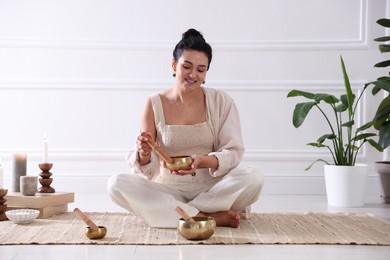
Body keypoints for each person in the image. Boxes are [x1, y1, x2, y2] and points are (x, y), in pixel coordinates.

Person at [108, 28, 264, 228]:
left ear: (206, 72)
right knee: (116, 184)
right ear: (174, 64)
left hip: (213, 189)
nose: (193, 75)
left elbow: (233, 152)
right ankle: (207, 216)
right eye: (187, 67)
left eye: (201, 70)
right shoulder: (154, 103)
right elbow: (148, 168)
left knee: (254, 177)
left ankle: (179, 213)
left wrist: (200, 161)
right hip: (169, 190)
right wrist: (144, 152)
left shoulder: (221, 101)